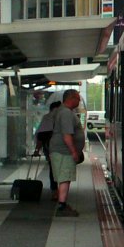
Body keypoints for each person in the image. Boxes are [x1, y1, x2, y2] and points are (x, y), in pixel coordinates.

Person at [48, 89, 86, 217]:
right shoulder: (65, 113)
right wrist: (74, 152)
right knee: (65, 177)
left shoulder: (64, 112)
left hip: (62, 151)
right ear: (72, 99)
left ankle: (62, 203)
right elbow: (67, 135)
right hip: (63, 151)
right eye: (78, 98)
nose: (79, 101)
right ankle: (62, 206)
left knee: (65, 177)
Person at [33, 101, 61, 200]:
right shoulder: (62, 118)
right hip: (57, 149)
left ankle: (55, 191)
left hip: (50, 149)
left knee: (53, 169)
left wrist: (37, 150)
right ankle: (57, 191)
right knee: (57, 169)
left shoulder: (47, 118)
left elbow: (41, 135)